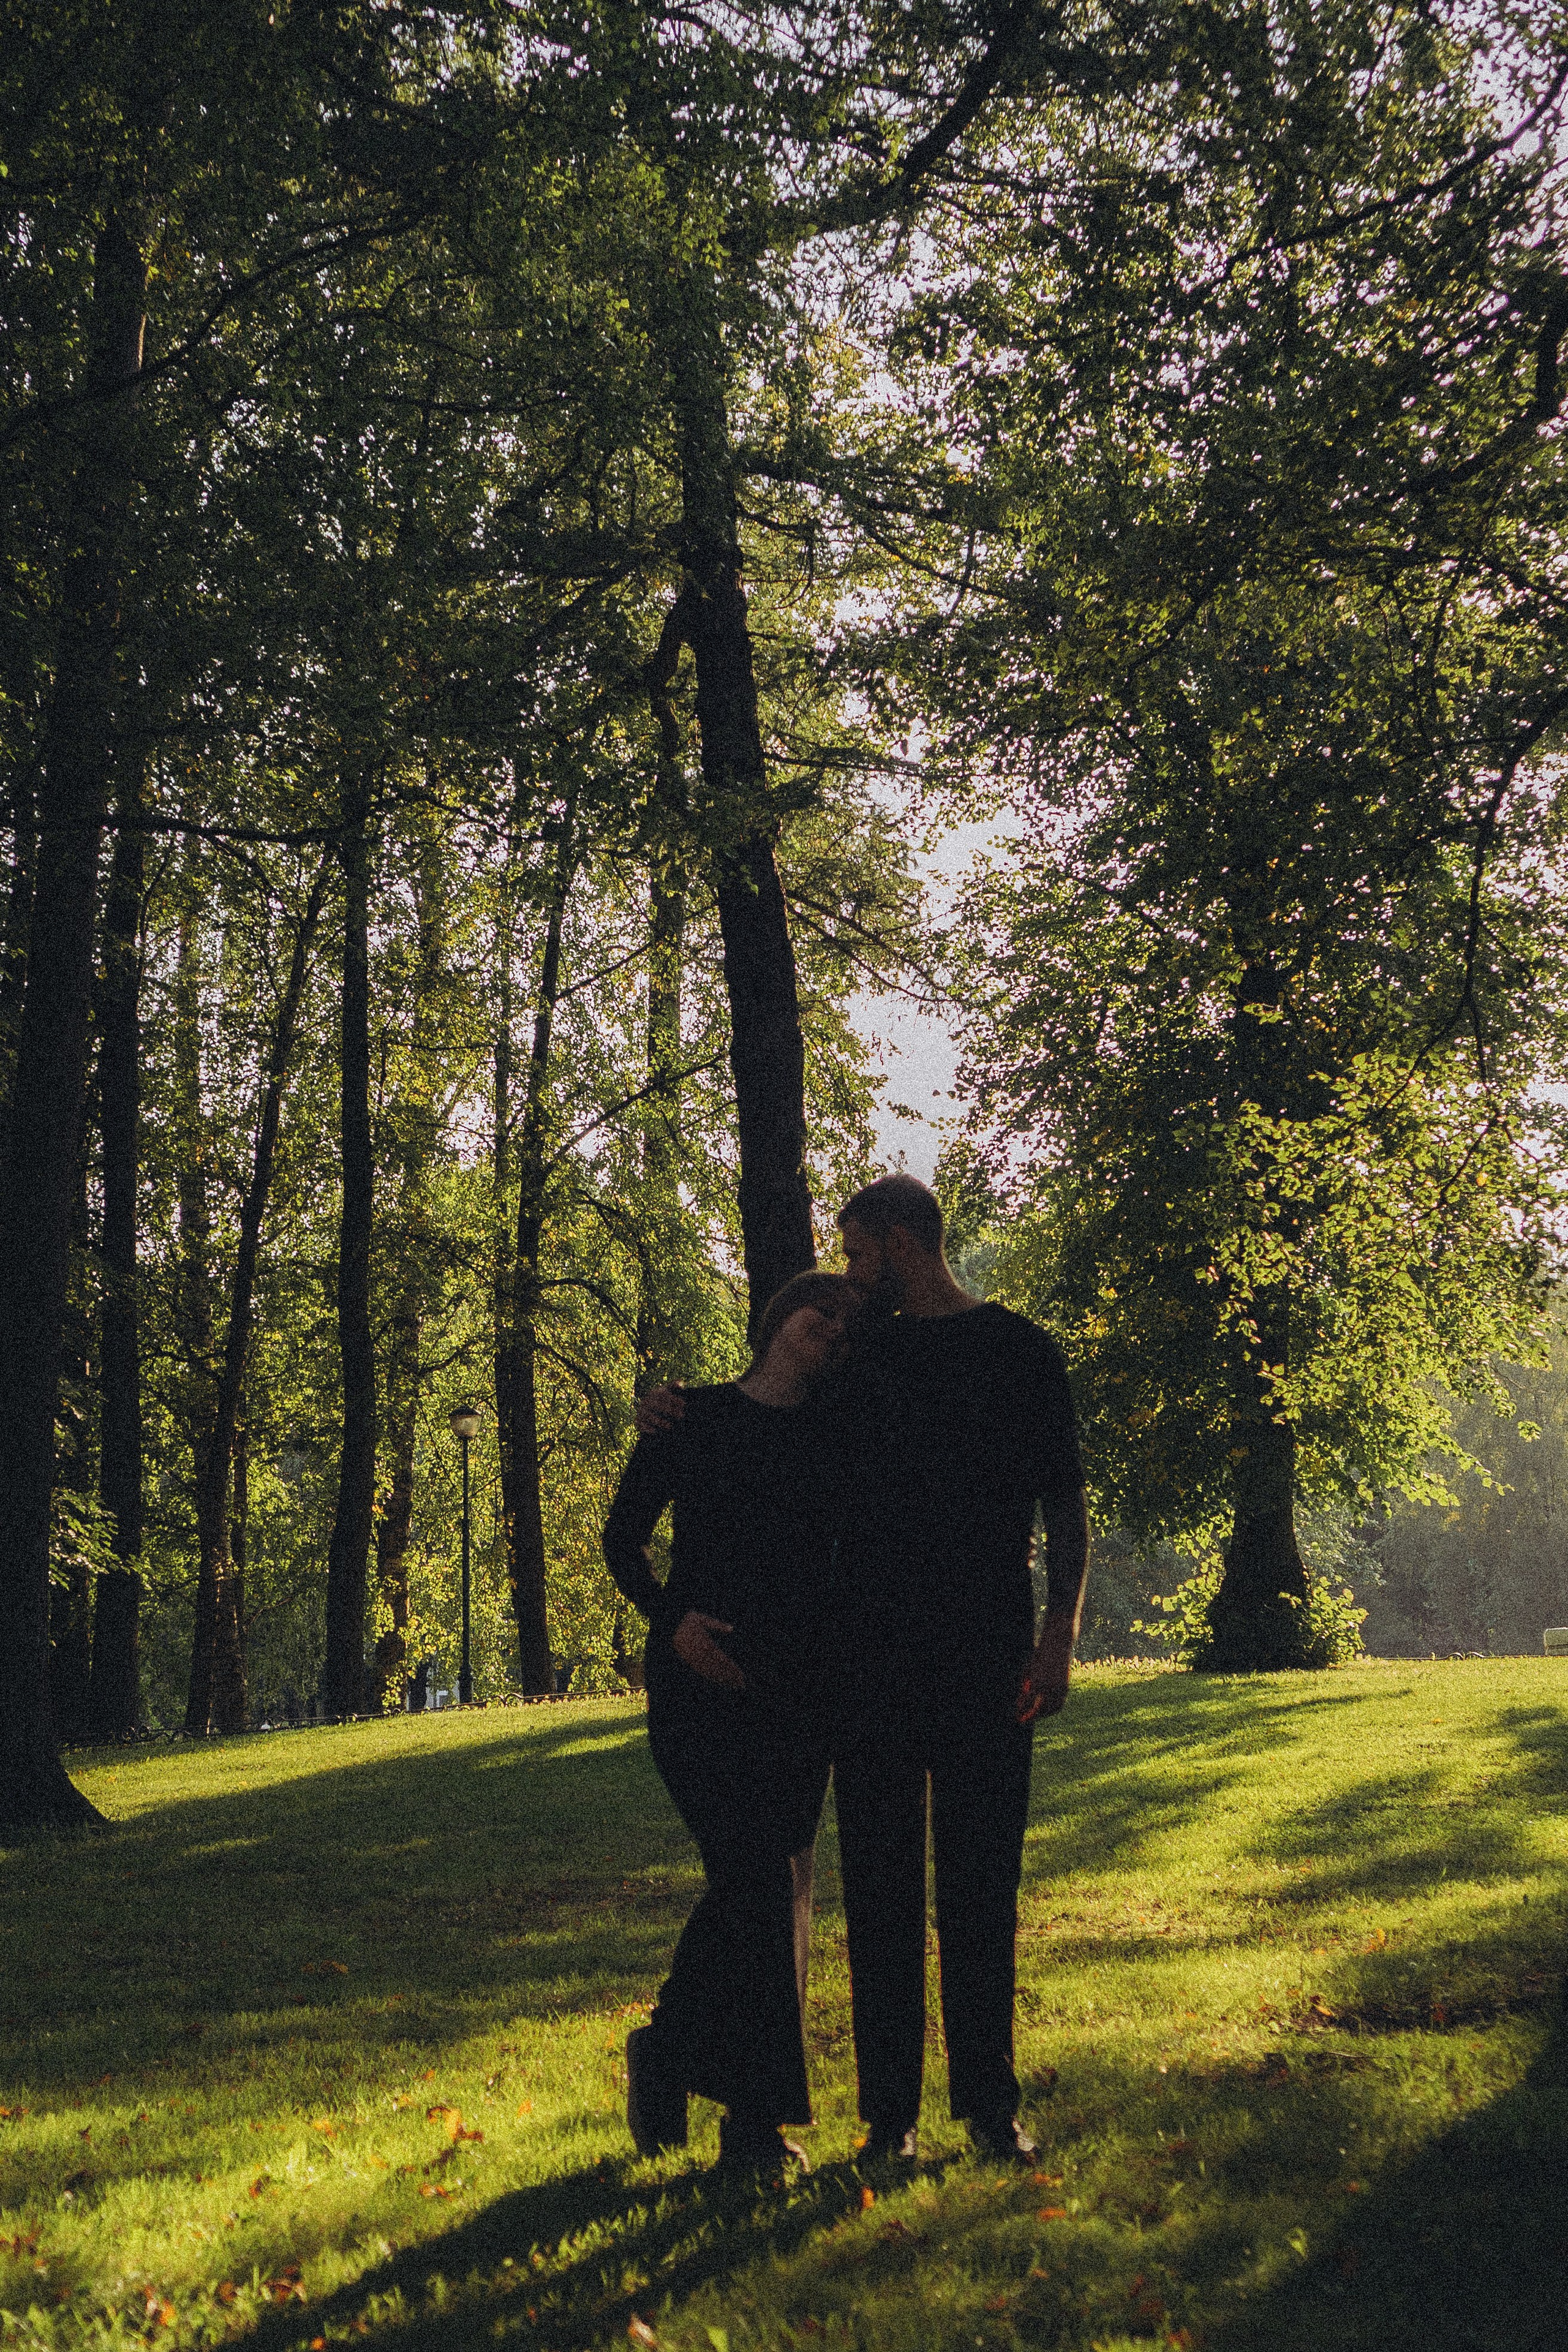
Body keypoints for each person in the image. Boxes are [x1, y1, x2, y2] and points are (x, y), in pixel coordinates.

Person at [637, 1173, 1089, 2168]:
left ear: (896, 1239)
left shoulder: (1017, 1350)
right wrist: (672, 1410)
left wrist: (1058, 1636)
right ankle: (891, 2121)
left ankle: (990, 2107)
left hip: (985, 1659)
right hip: (869, 1665)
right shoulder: (860, 1359)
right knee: (883, 1894)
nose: (847, 1276)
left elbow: (1067, 1505)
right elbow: (768, 1413)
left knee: (983, 1885)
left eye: (852, 1253)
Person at [602, 1269, 855, 2176]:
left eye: (845, 1321)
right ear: (780, 1317)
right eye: (818, 1308)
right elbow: (620, 1539)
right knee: (752, 1880)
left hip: (800, 1688)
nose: (830, 1325)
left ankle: (678, 2058)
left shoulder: (841, 1434)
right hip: (697, 1686)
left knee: (771, 1888)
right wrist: (672, 1622)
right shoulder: (689, 1417)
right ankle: (751, 2126)